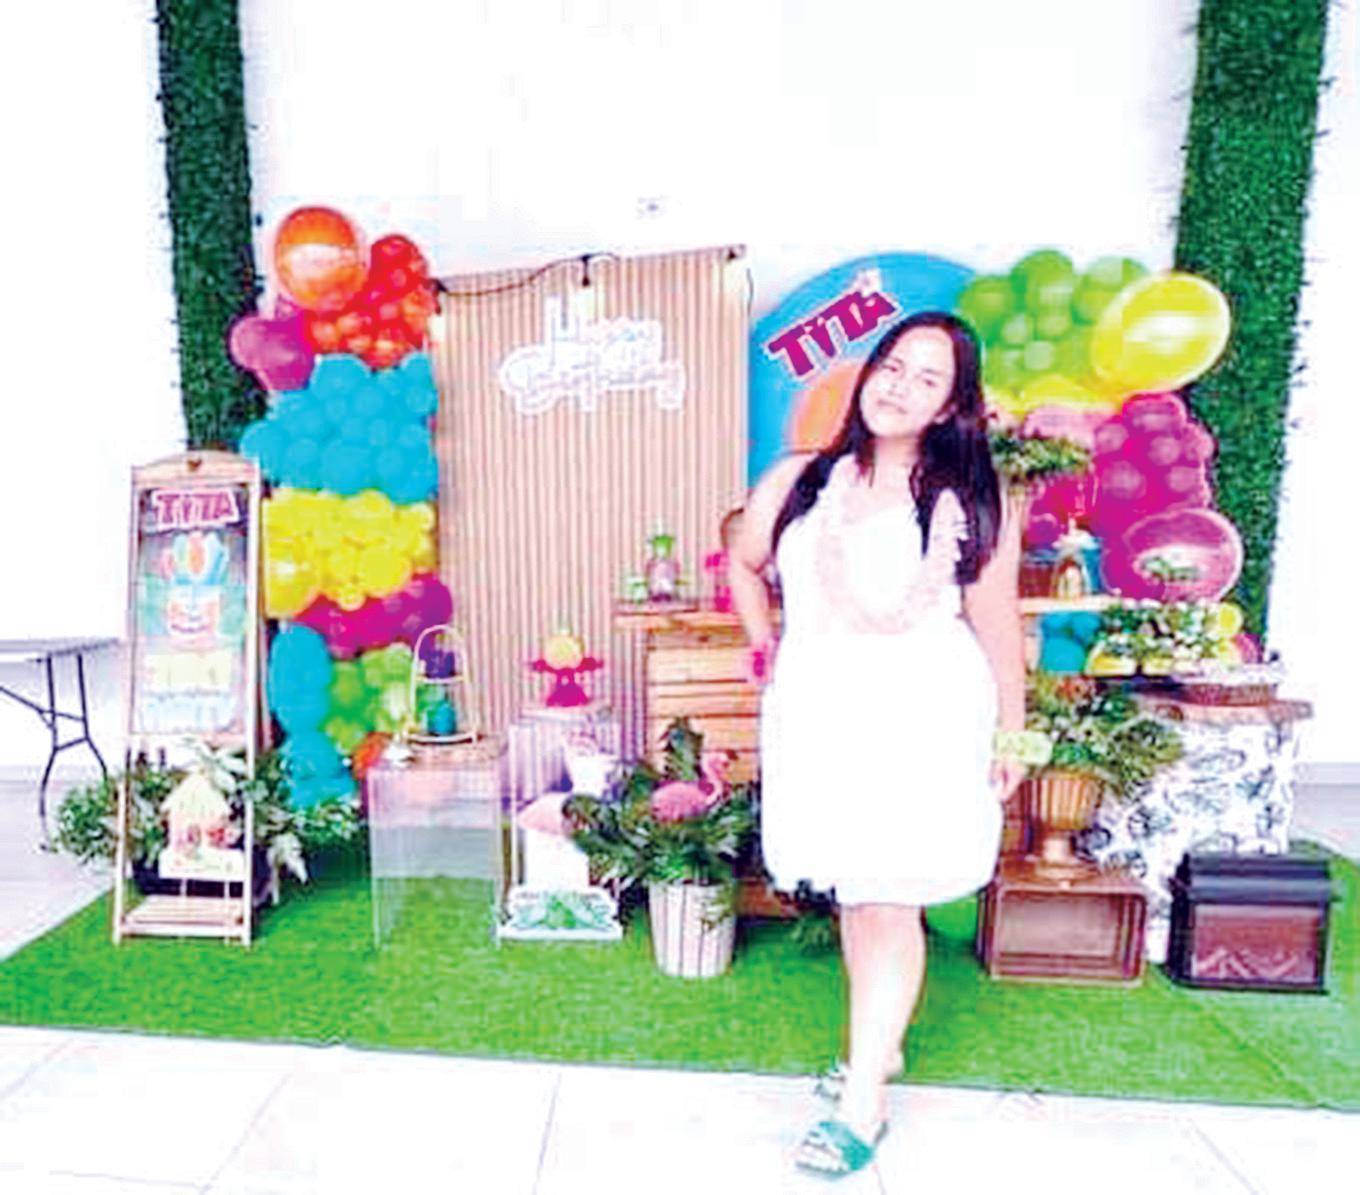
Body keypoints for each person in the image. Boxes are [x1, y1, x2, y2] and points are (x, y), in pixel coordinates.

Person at [728, 311, 1025, 1178]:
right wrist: (764, 644)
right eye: (893, 365)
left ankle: (863, 1101)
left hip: (925, 717)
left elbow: (997, 621)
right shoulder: (799, 479)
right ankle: (880, 1046)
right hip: (821, 717)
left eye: (928, 378)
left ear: (951, 405)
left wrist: (1014, 730)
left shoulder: (975, 496)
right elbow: (744, 560)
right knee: (859, 891)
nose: (900, 386)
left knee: (890, 896)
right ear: (868, 371)